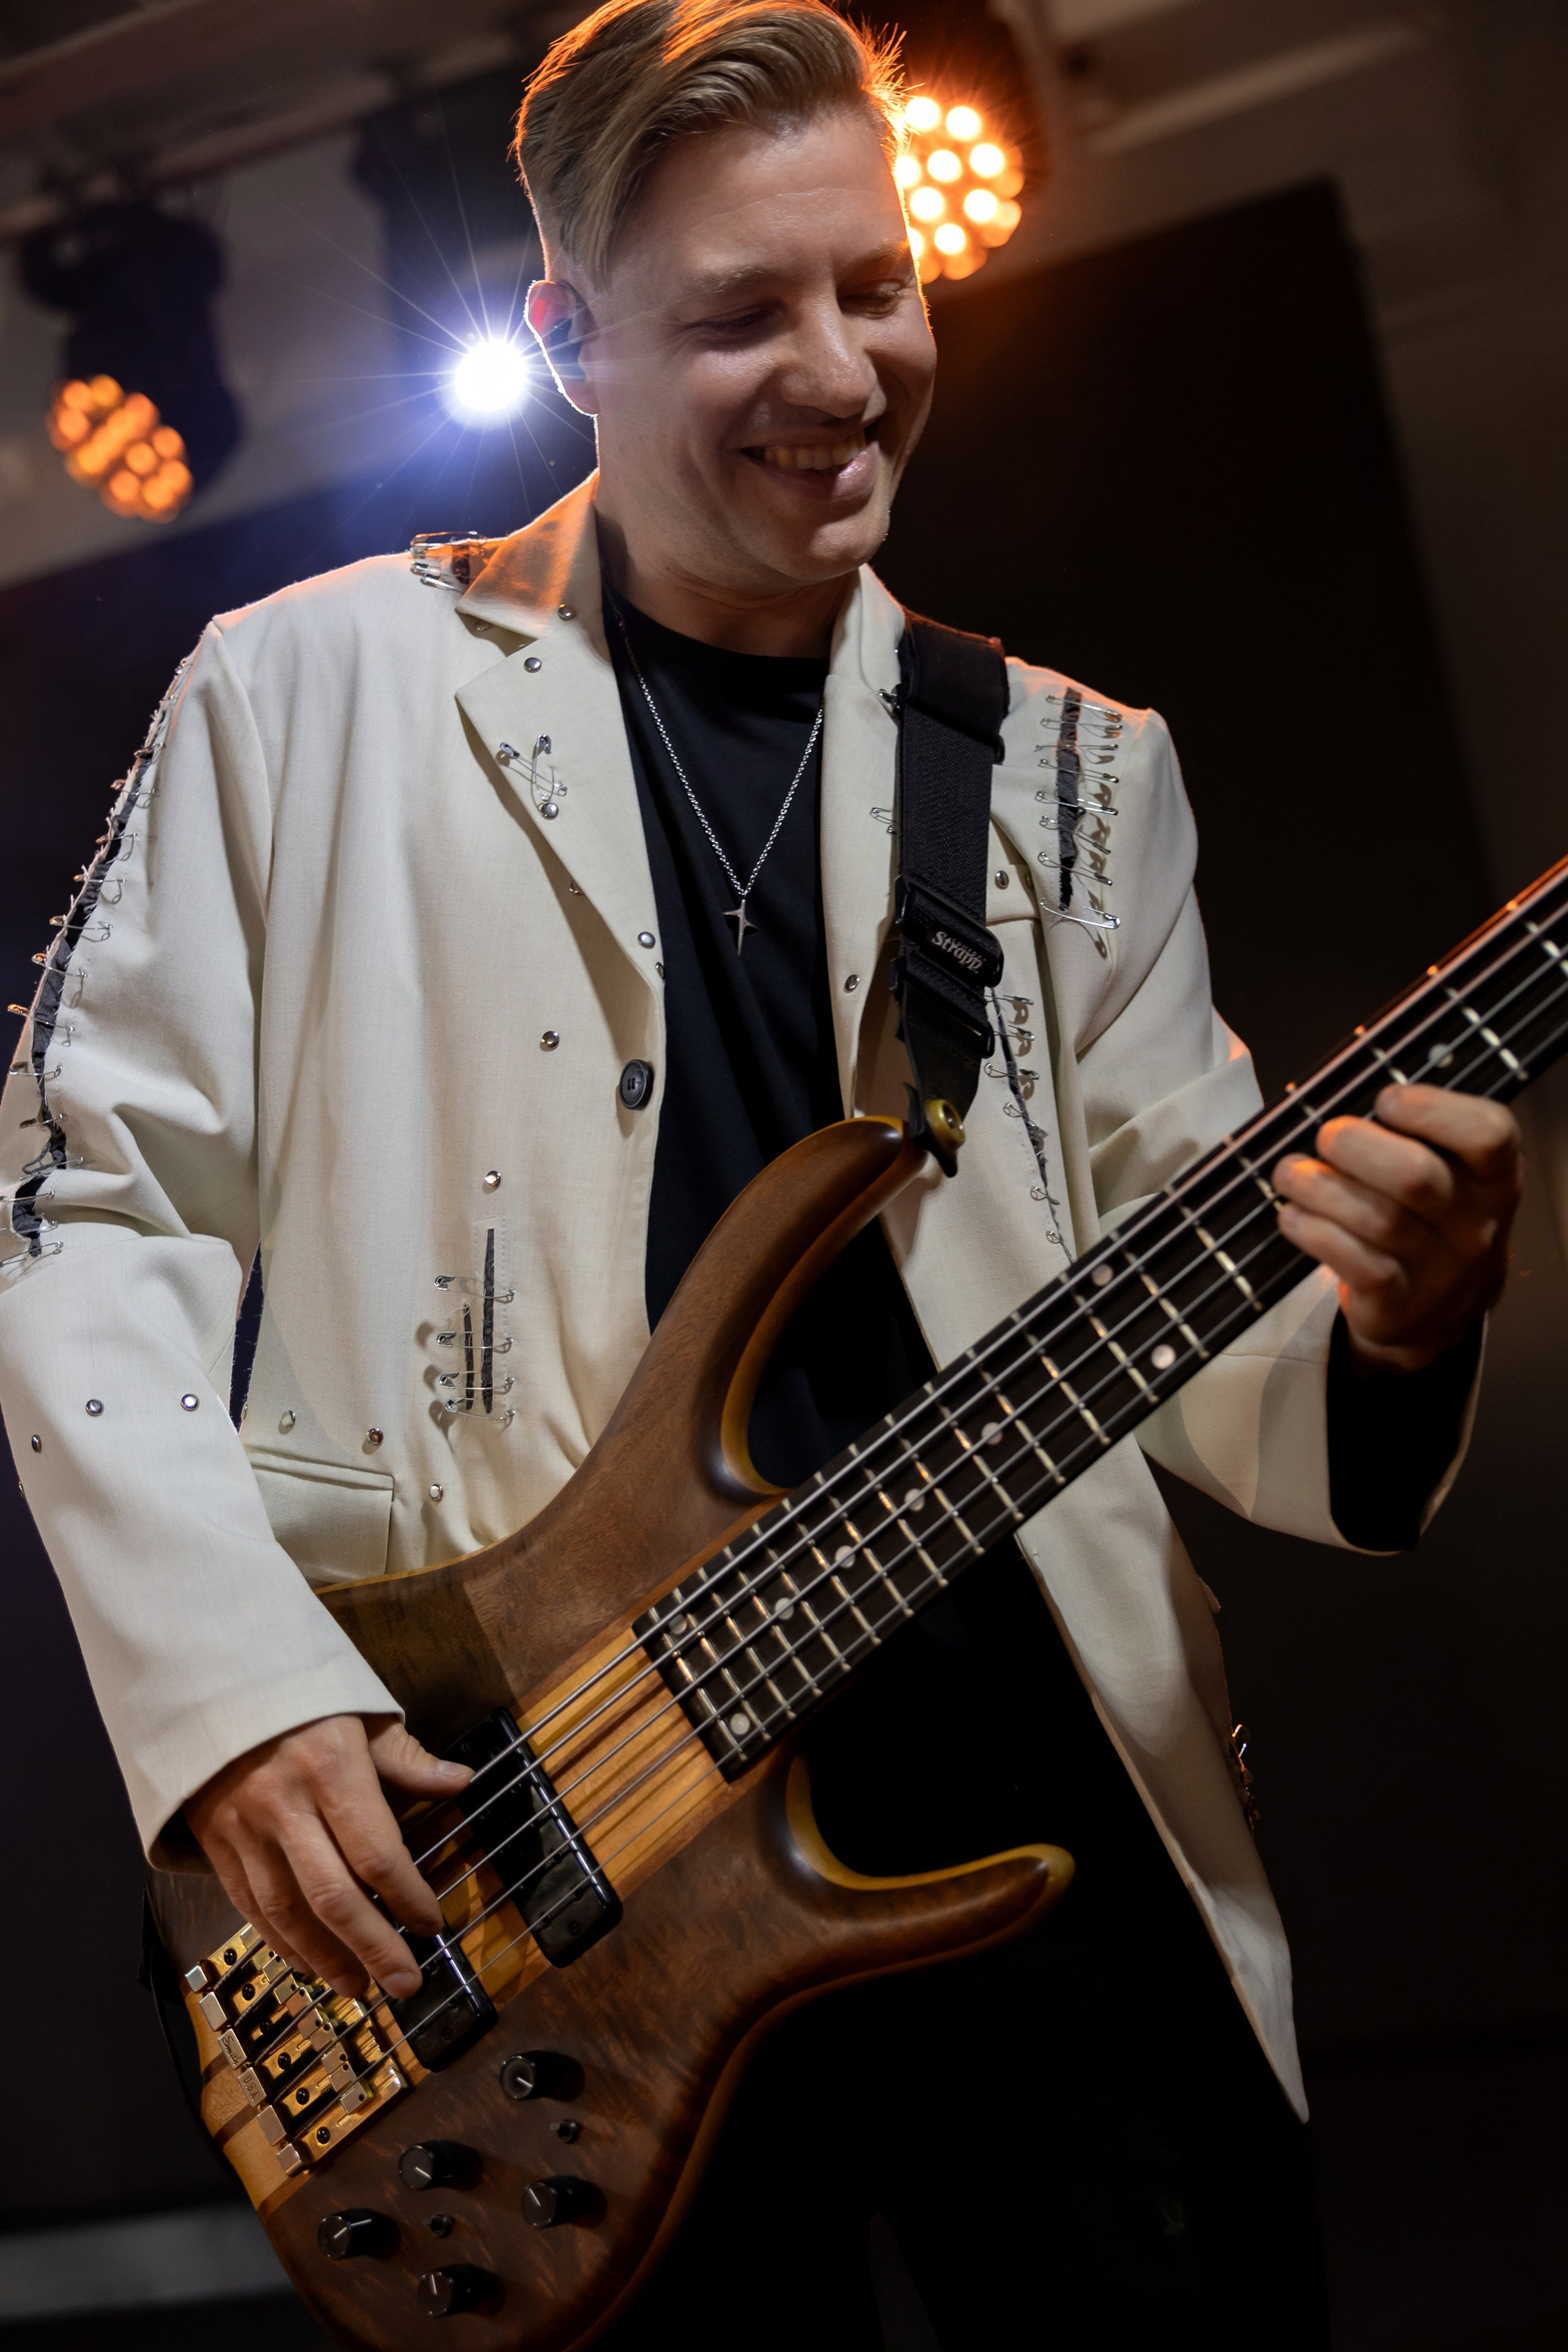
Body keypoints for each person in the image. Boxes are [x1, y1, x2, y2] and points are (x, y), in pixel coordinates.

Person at [0, 2, 1521, 2341]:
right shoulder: (302, 695)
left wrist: (1395, 1314)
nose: (843, 368)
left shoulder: (1074, 773)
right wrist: (238, 1702)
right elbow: (80, 1209)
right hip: (551, 1855)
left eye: (877, 286)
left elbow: (1211, 1339)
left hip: (1045, 1821)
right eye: (740, 314)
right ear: (567, 341)